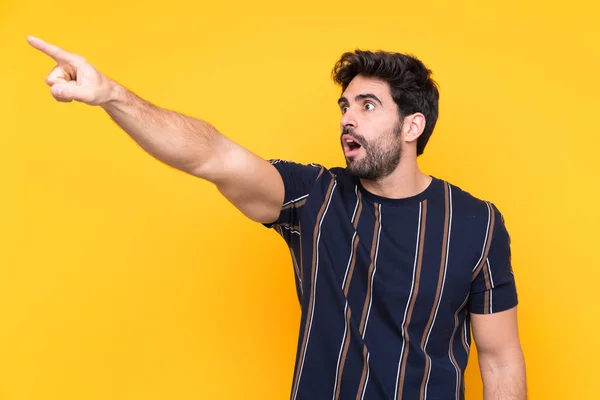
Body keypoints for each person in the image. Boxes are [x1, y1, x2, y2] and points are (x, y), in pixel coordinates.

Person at [27, 35, 527, 400]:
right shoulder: (315, 197)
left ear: (411, 124)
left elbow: (499, 358)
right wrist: (112, 94)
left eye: (367, 105)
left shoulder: (476, 223)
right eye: (344, 106)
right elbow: (213, 156)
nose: (347, 118)